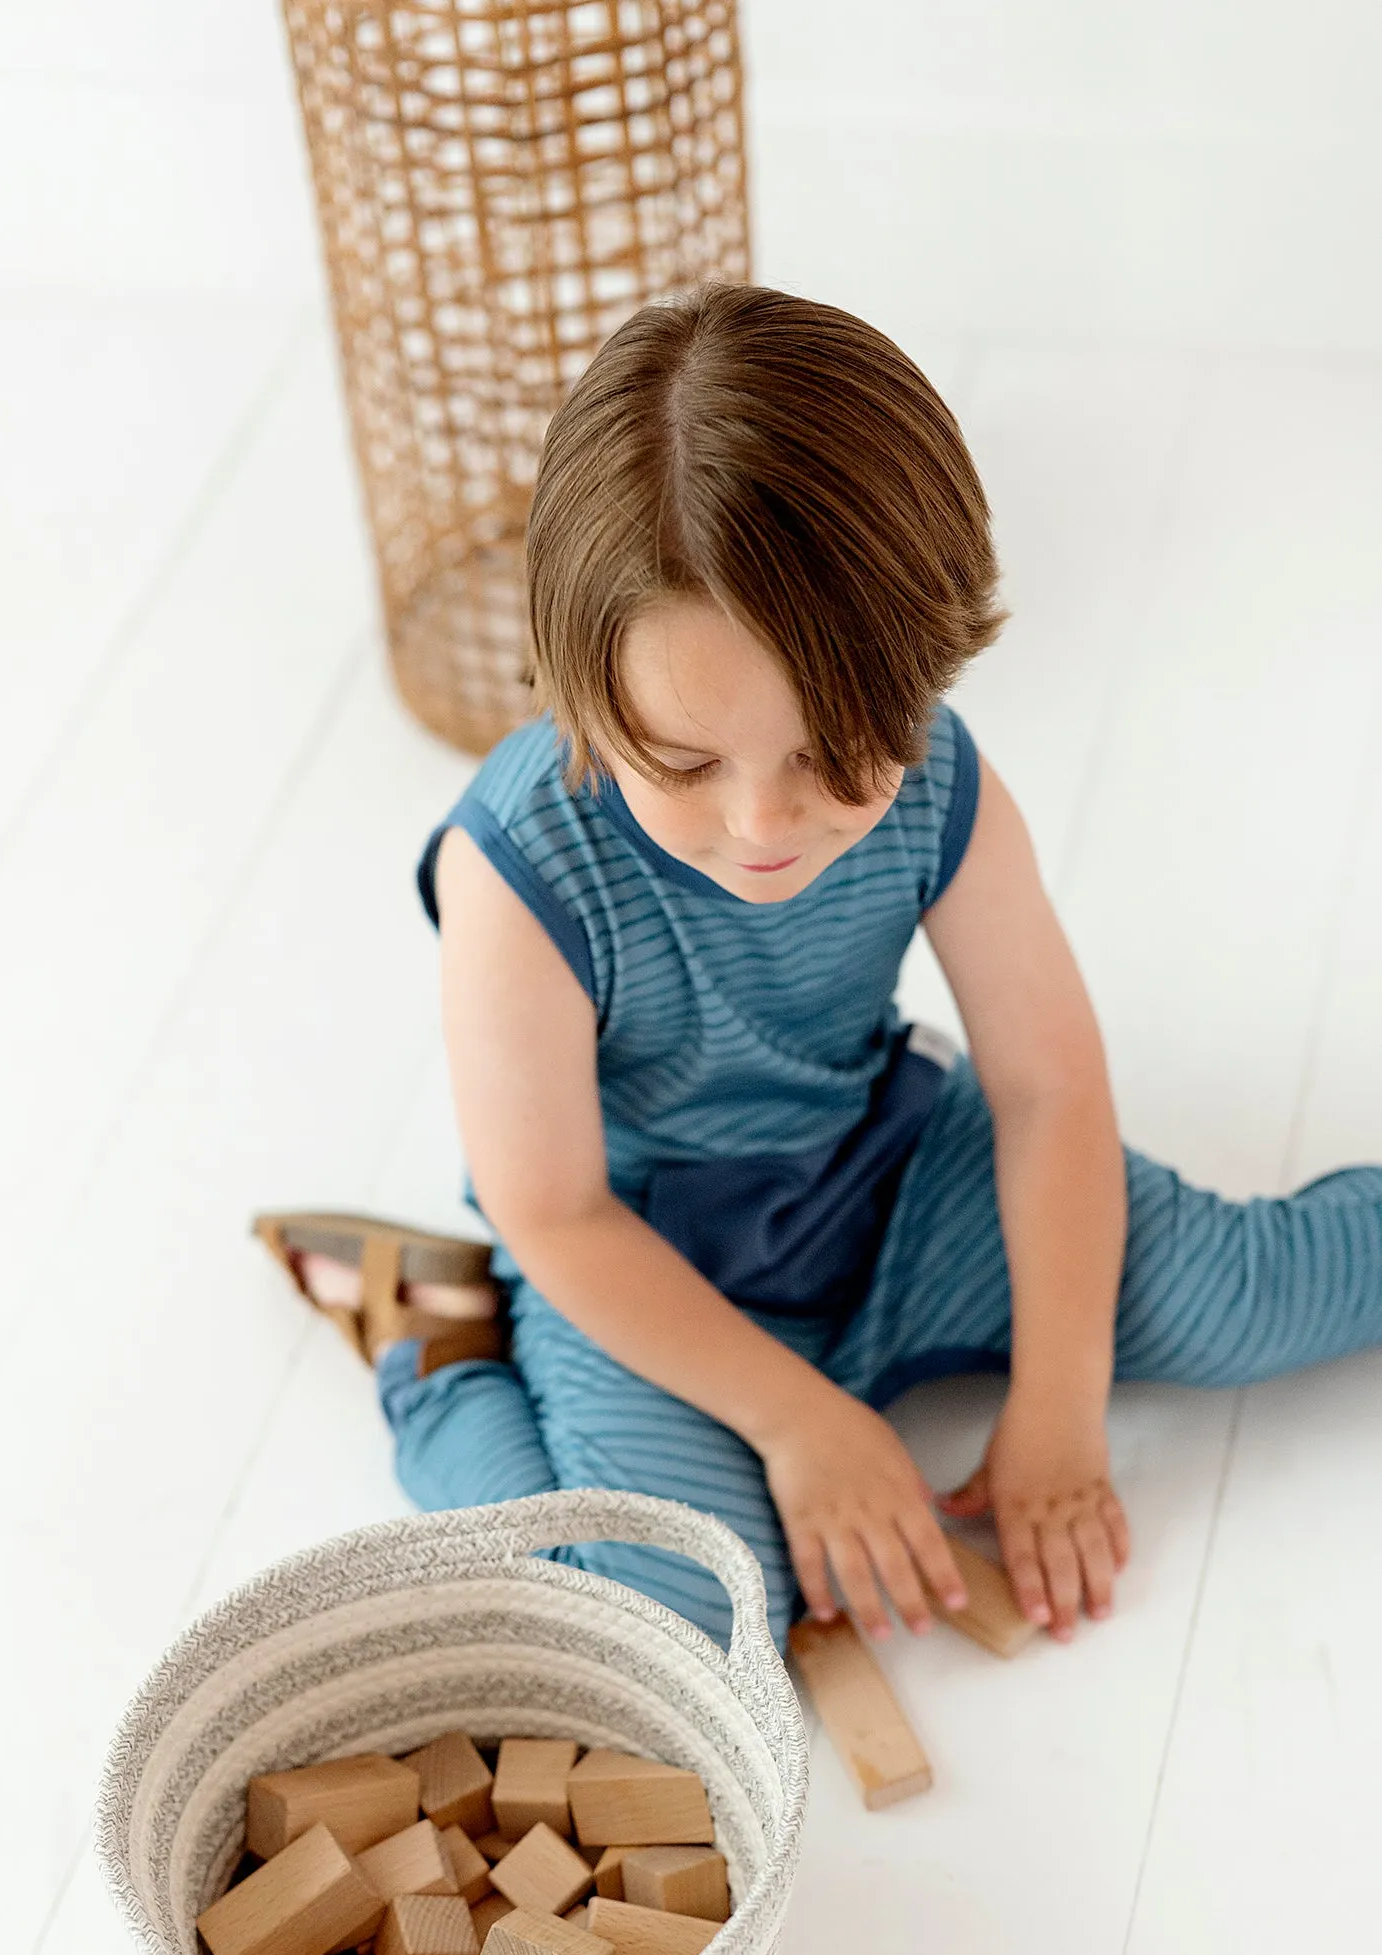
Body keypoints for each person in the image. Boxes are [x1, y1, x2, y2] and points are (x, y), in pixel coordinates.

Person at [257, 283, 1382, 1654]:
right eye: (684, 763)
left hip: (890, 1180)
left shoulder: (940, 784)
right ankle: (437, 1358)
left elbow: (1046, 1093)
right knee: (673, 1612)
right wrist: (797, 1420)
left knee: (1245, 1292)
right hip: (640, 1266)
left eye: (827, 749)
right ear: (577, 692)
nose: (763, 821)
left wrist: (1058, 1404)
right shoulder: (520, 865)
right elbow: (553, 1213)